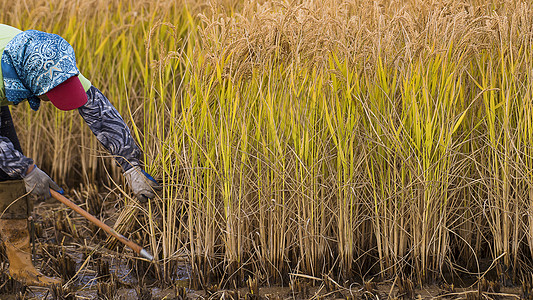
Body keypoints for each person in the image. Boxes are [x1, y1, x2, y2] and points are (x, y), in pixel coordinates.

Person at [0, 24, 159, 287]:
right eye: (51, 93)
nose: (55, 99)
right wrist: (26, 168)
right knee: (12, 164)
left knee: (8, 173)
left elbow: (99, 112)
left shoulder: (52, 61)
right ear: (28, 79)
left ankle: (21, 269)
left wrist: (130, 164)